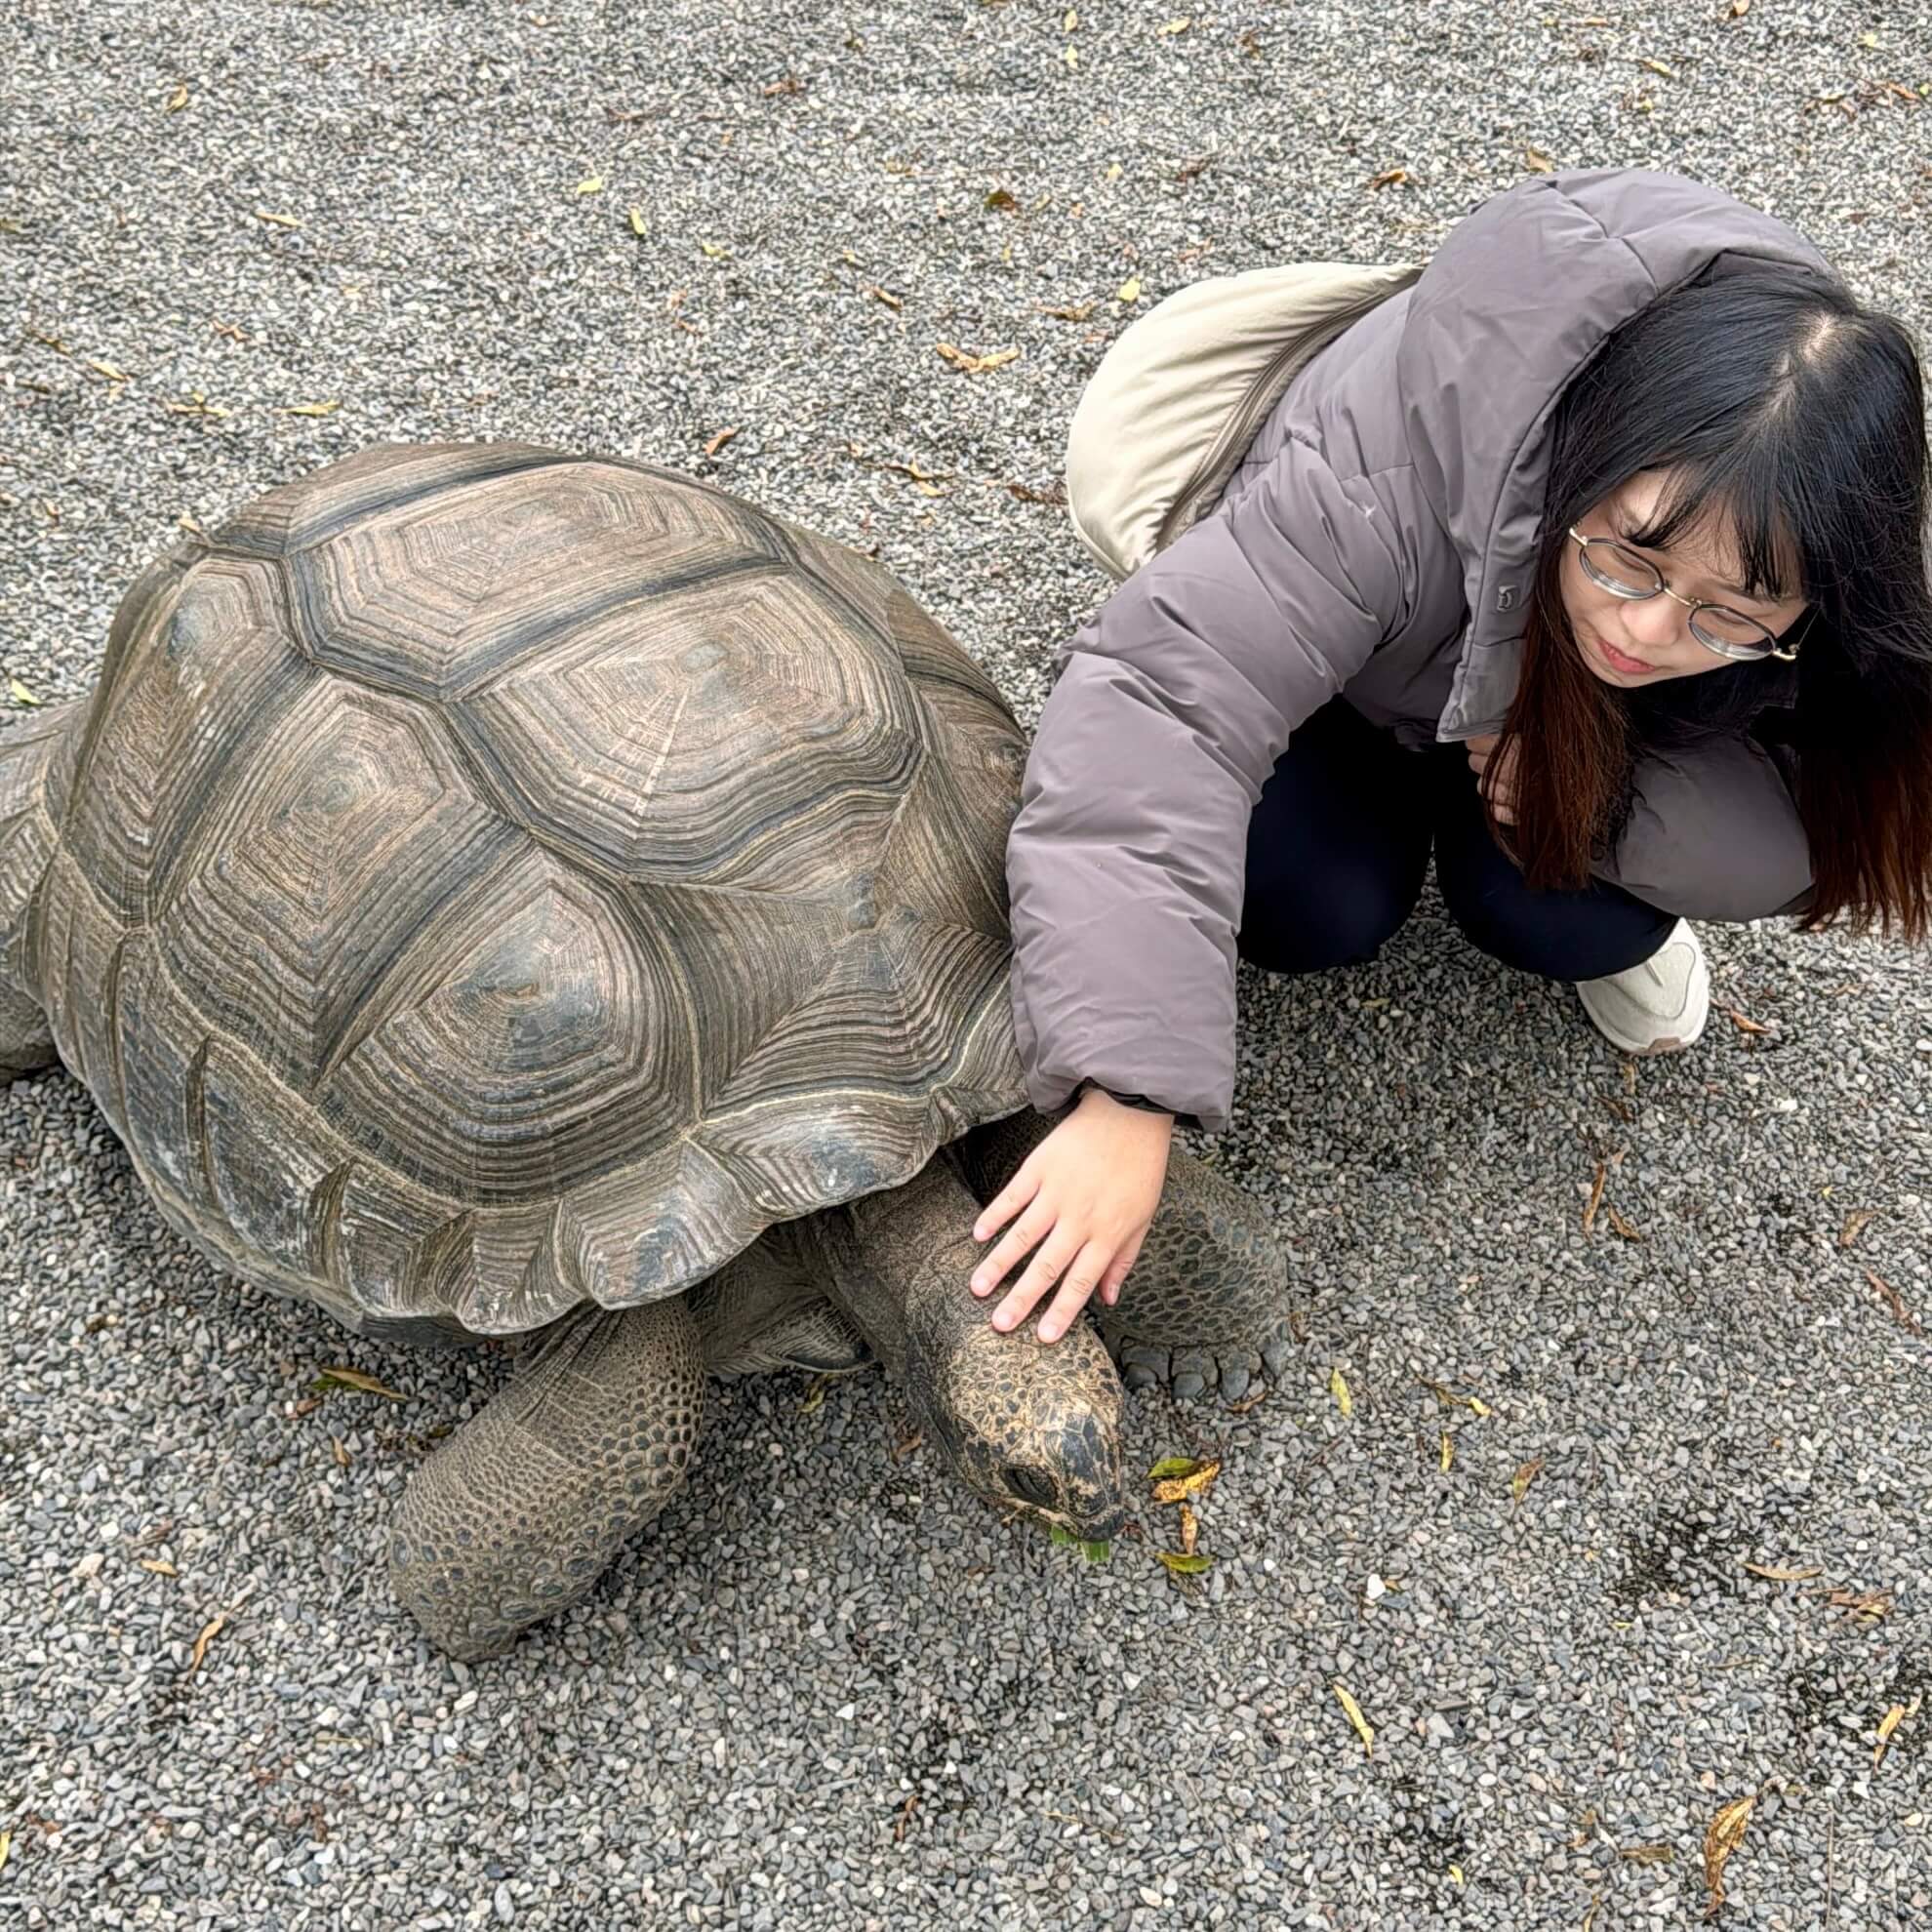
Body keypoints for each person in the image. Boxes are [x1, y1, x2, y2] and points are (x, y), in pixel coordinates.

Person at [967, 166, 1932, 1345]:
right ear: (1590, 457)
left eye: (1733, 614)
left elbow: (1813, 815)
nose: (1648, 629)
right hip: (1370, 664)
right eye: (1630, 559)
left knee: (1576, 913)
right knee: (1310, 903)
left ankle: (1554, 801)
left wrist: (1589, 785)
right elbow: (1161, 703)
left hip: (1549, 714)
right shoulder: (1376, 471)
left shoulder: (1827, 515)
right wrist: (1124, 1085)